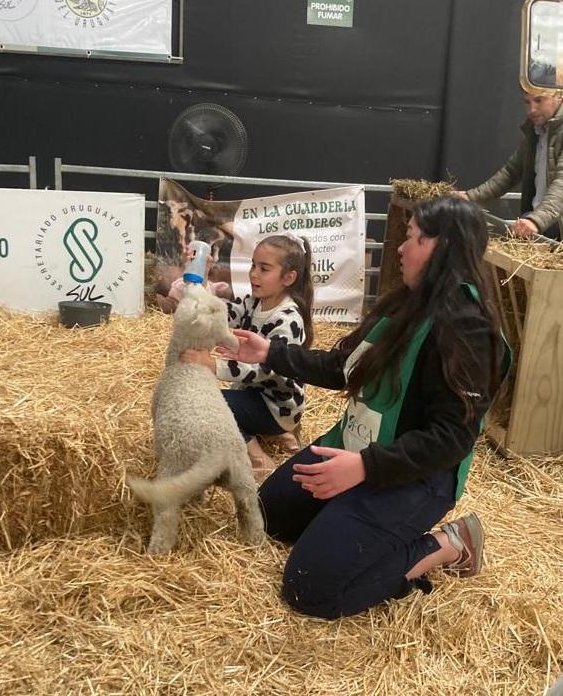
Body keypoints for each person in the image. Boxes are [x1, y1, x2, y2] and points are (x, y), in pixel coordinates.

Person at [218, 196, 510, 620]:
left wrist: (365, 468)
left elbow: (451, 439)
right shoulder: (405, 304)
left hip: (413, 475)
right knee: (268, 517)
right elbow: (343, 366)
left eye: (414, 238)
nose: (401, 248)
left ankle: (448, 544)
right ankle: (351, 524)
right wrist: (270, 352)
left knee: (310, 590)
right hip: (356, 448)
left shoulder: (466, 329)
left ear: (444, 247)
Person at [182, 234, 314, 481]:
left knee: (207, 404)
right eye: (253, 265)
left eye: (264, 269)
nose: (253, 274)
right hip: (257, 395)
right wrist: (202, 276)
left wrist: (213, 365)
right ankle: (280, 435)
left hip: (277, 405)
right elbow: (218, 314)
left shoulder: (287, 319)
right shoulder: (253, 302)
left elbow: (264, 369)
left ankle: (259, 459)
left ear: (288, 278)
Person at [456, 89, 563, 240]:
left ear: (559, 96)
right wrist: (471, 197)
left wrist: (536, 220)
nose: (532, 110)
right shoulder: (536, 131)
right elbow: (510, 172)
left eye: (539, 100)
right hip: (542, 221)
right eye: (527, 102)